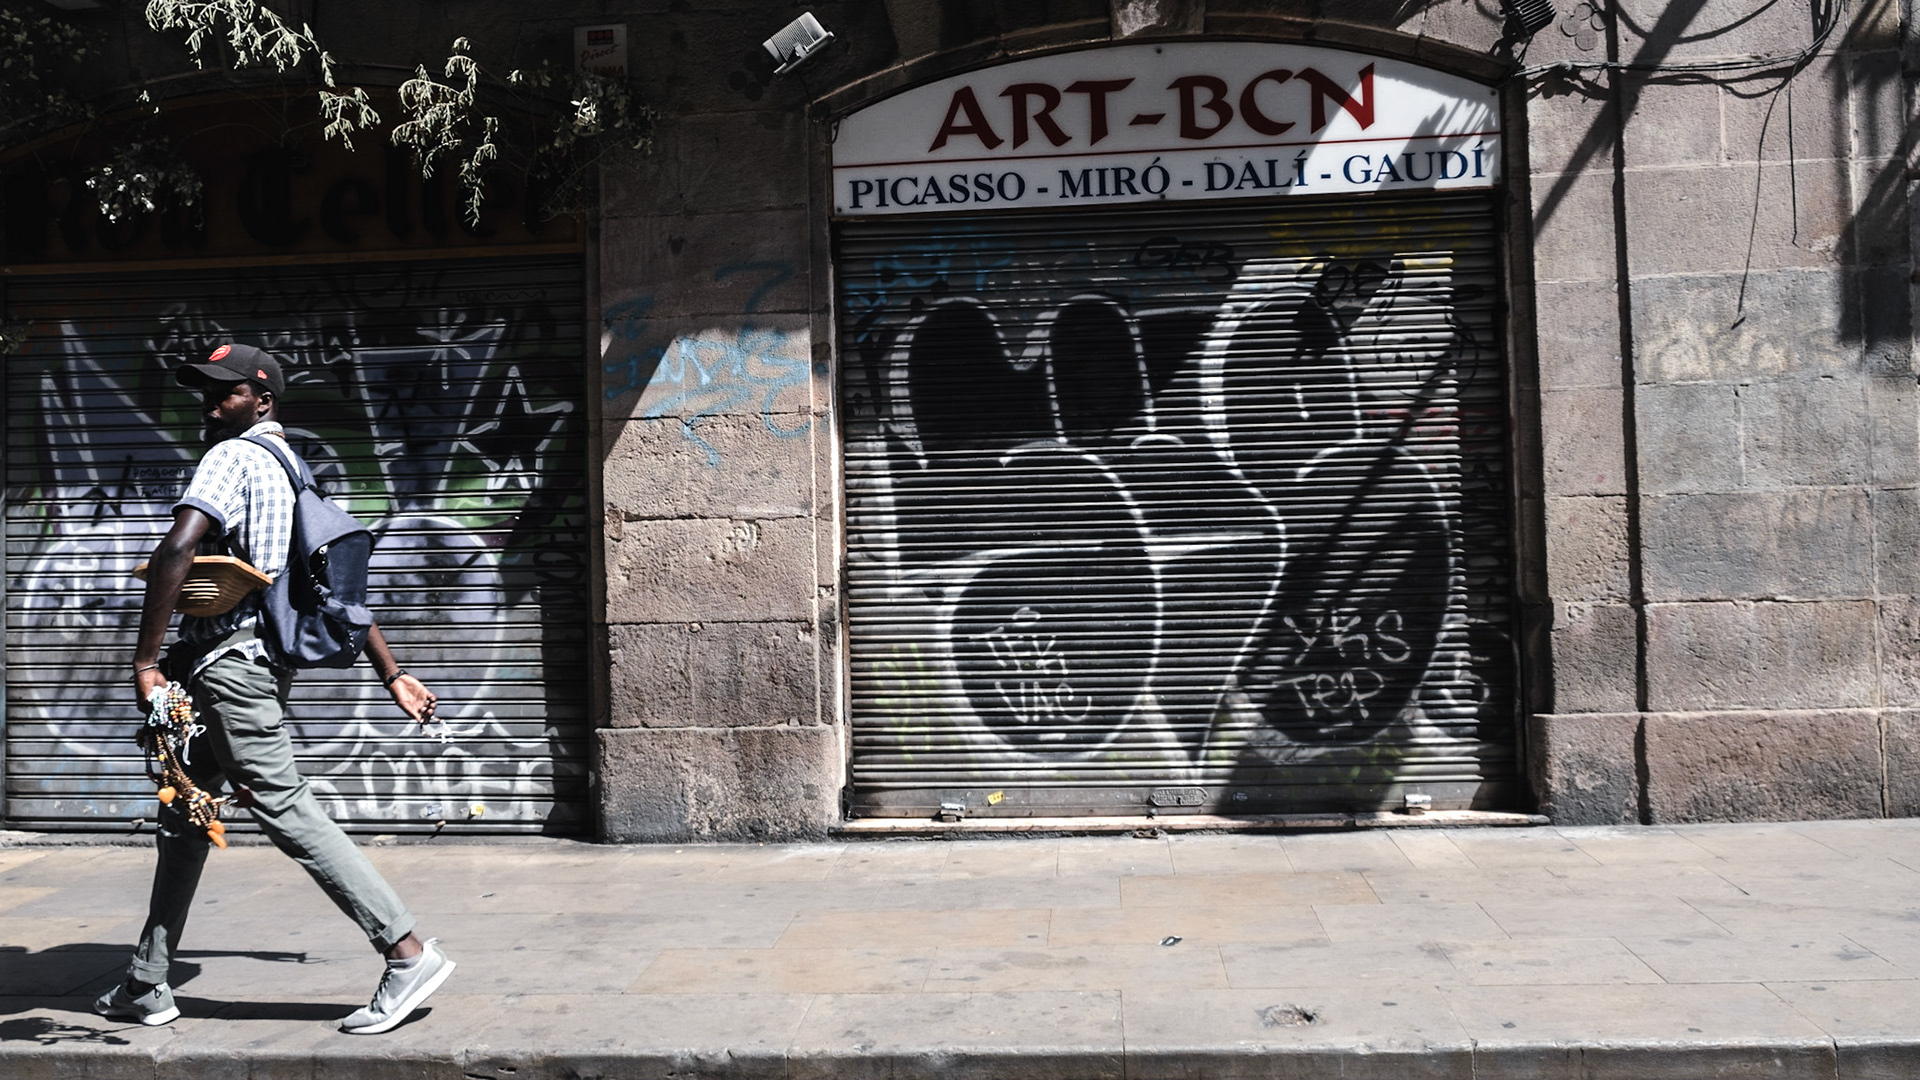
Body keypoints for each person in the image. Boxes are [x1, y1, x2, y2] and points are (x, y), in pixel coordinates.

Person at [95, 343, 455, 1034]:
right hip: (235, 668)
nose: (211, 403)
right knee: (186, 812)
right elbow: (331, 588)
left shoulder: (231, 456)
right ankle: (147, 979)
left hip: (230, 669)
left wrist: (144, 663)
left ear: (261, 400)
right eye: (206, 391)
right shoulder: (293, 468)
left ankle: (407, 951)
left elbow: (177, 549)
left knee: (280, 802)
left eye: (225, 392)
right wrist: (391, 671)